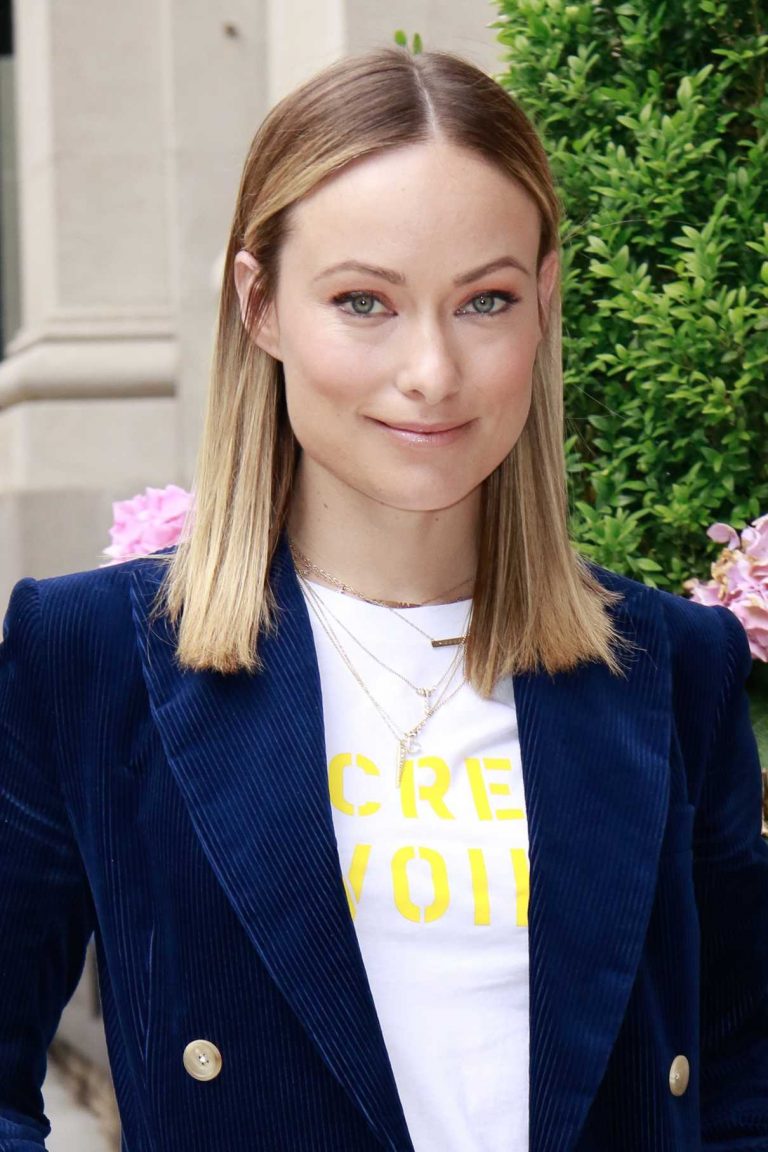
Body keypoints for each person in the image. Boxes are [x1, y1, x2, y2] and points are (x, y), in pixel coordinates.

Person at [1, 46, 766, 1152]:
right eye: (364, 301)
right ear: (260, 305)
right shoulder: (89, 656)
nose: (432, 372)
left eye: (485, 301)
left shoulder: (675, 666)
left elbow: (745, 1079)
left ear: (545, 302)